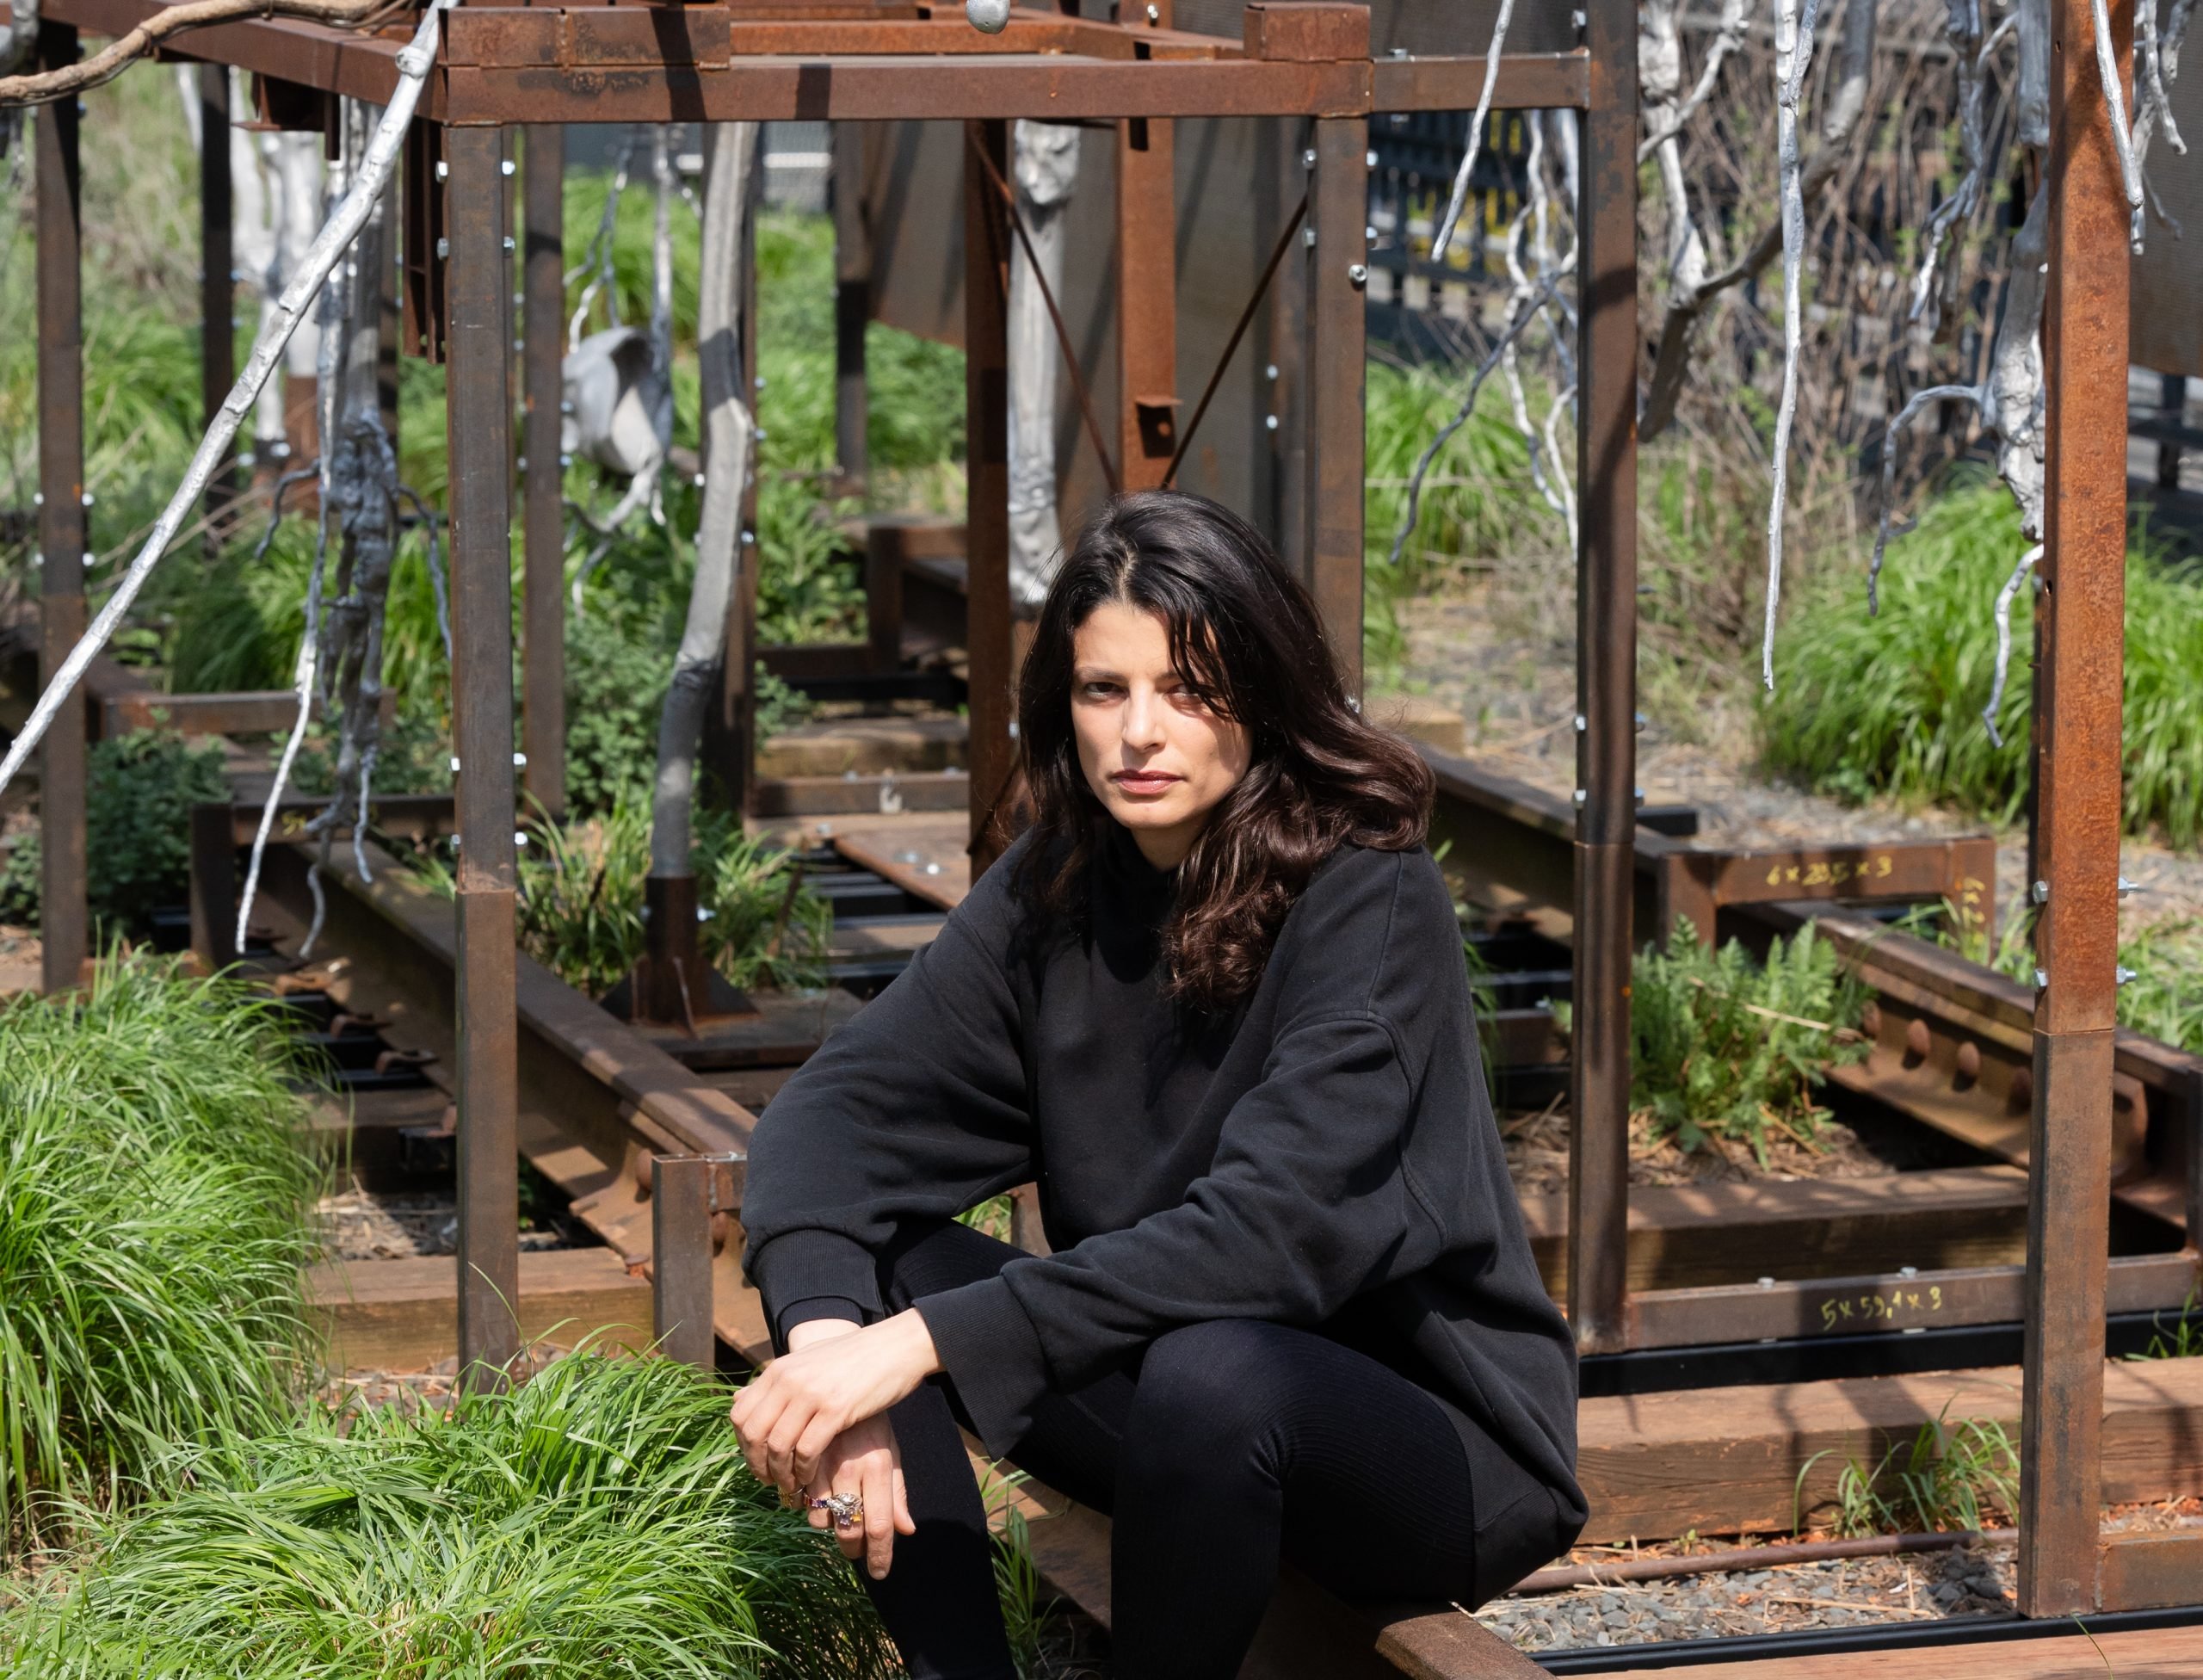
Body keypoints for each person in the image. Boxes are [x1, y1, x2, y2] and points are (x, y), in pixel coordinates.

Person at [731, 490, 1585, 1679]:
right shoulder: (1060, 883)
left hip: (1431, 1443)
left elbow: (1265, 1240)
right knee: (868, 1270)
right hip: (1188, 1412)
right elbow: (829, 1123)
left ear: (1265, 699)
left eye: (1189, 691)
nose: (1142, 732)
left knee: (1212, 1365)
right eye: (1105, 690)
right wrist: (838, 1351)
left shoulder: (1369, 896)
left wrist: (923, 1343)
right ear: (1065, 704)